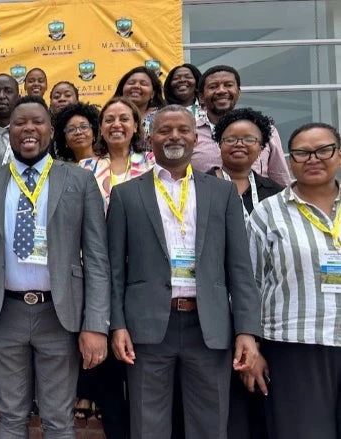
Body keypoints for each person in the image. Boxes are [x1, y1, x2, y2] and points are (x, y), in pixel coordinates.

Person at [0, 96, 110, 438]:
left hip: (60, 314)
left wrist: (96, 324)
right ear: (8, 132)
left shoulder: (79, 181)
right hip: (4, 315)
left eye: (37, 122)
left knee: (58, 419)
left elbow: (98, 259)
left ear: (51, 131)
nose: (28, 129)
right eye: (20, 123)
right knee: (10, 417)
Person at [108, 105, 262, 439]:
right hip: (147, 328)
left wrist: (247, 330)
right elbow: (114, 270)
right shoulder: (126, 195)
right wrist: (117, 325)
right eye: (164, 130)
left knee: (210, 423)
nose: (174, 136)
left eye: (182, 130)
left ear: (196, 137)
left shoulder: (222, 193)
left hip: (209, 327)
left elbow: (240, 268)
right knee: (148, 425)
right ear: (150, 139)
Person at [247, 122, 341, 439]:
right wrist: (253, 348)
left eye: (323, 150)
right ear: (290, 162)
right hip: (294, 347)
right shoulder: (267, 213)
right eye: (302, 153)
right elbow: (250, 284)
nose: (313, 158)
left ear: (339, 155)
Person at [206, 108, 283, 439]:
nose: (239, 145)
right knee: (225, 410)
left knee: (265, 403)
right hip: (215, 313)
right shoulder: (199, 188)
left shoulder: (277, 194)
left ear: (262, 145)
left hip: (267, 314)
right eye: (230, 139)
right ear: (218, 143)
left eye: (249, 139)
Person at [191, 65, 291, 186]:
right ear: (201, 97)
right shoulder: (190, 133)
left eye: (228, 85)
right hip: (207, 203)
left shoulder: (265, 130)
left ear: (238, 92)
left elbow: (280, 180)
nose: (221, 90)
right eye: (213, 86)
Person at [80, 97, 155, 208]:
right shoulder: (86, 167)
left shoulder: (151, 162)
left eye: (124, 119)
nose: (116, 125)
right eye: (109, 120)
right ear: (101, 128)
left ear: (135, 126)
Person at [113, 66, 166, 143]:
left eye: (143, 84)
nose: (136, 86)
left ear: (152, 94)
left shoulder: (163, 116)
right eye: (131, 83)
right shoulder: (109, 115)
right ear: (122, 90)